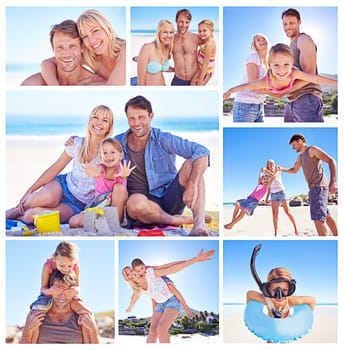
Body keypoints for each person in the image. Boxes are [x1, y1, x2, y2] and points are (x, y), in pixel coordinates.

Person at [115, 95, 211, 236]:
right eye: (132, 118)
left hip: (169, 199)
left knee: (192, 163)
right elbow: (99, 154)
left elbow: (202, 152)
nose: (136, 123)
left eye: (141, 117)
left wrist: (192, 184)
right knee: (134, 203)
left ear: (151, 116)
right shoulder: (117, 143)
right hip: (142, 206)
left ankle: (199, 224)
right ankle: (175, 221)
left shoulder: (163, 139)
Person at [6, 105, 114, 226]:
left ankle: (21, 216)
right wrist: (31, 190)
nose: (99, 122)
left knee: (31, 216)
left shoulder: (109, 153)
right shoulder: (77, 143)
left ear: (108, 128)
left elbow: (110, 181)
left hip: (78, 204)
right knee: (46, 198)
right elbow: (56, 168)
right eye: (95, 117)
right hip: (63, 186)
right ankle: (15, 210)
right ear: (89, 121)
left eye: (105, 120)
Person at [122, 249, 215, 343]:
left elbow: (171, 269)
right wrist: (130, 308)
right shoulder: (138, 288)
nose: (132, 274)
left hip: (172, 302)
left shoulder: (150, 272)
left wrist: (195, 259)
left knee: (161, 328)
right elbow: (134, 298)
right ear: (127, 278)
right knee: (152, 332)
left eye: (131, 271)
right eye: (129, 274)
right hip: (159, 305)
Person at [223, 43, 337, 104]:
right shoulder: (267, 81)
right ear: (269, 65)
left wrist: (337, 82)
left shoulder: (294, 73)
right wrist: (230, 91)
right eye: (276, 65)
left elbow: (316, 79)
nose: (282, 71)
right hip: (271, 93)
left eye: (286, 64)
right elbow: (247, 86)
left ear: (292, 63)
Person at [42, 9, 126, 85]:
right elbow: (47, 63)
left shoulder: (125, 49)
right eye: (85, 36)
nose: (92, 40)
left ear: (107, 28)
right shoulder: (90, 56)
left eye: (95, 31)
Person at [68, 138, 136, 228]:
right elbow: (96, 171)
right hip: (100, 206)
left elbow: (122, 175)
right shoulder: (100, 169)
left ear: (121, 155)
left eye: (112, 152)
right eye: (104, 153)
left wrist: (124, 175)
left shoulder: (121, 170)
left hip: (116, 208)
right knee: (73, 221)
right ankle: (100, 223)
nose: (108, 156)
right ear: (100, 157)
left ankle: (114, 223)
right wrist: (91, 173)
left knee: (119, 187)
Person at [280, 134, 338, 236]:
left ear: (300, 141)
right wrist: (282, 169)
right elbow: (294, 170)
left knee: (318, 219)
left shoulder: (312, 150)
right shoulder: (300, 157)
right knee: (326, 215)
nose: (293, 148)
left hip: (318, 187)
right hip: (313, 189)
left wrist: (333, 181)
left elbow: (331, 160)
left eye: (294, 145)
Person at [21, 269, 99, 344]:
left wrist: (93, 330)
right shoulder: (36, 315)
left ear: (73, 291)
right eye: (57, 289)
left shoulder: (83, 316)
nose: (62, 296)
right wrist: (27, 330)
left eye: (67, 291)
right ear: (51, 290)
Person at [21, 20, 105, 86]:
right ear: (53, 49)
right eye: (60, 48)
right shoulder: (33, 84)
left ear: (82, 47)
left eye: (72, 46)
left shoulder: (98, 85)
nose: (66, 54)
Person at [281, 8, 326, 122]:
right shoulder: (289, 47)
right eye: (285, 24)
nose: (288, 27)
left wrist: (284, 91)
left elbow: (309, 75)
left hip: (306, 97)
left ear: (299, 22)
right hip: (291, 101)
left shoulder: (303, 39)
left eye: (291, 23)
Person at [30, 241, 91, 317]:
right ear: (55, 258)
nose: (66, 269)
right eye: (62, 265)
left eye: (70, 266)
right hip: (49, 292)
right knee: (38, 308)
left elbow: (78, 287)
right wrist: (51, 291)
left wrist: (75, 290)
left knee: (85, 310)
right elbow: (43, 288)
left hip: (68, 293)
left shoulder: (76, 267)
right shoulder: (47, 266)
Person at [125, 258, 193, 318]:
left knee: (170, 286)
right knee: (153, 297)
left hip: (161, 278)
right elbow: (134, 296)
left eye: (142, 268)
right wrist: (130, 308)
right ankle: (155, 316)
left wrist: (177, 262)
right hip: (155, 288)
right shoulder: (137, 280)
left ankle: (185, 306)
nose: (142, 271)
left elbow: (162, 267)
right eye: (138, 271)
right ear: (135, 270)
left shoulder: (148, 269)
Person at [223, 33, 270, 122]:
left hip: (260, 105)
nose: (261, 40)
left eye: (263, 38)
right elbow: (253, 85)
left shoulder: (270, 62)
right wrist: (274, 93)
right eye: (258, 40)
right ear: (255, 45)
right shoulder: (253, 57)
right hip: (245, 105)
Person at [247, 267, 316, 320]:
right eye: (274, 290)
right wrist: (252, 315)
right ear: (267, 289)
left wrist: (304, 320)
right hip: (270, 325)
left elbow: (312, 300)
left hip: (287, 326)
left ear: (290, 289)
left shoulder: (291, 301)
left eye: (284, 290)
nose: (279, 296)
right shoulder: (266, 300)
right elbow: (249, 294)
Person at [264, 160, 298, 236]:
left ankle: (296, 228)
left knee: (287, 212)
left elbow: (274, 177)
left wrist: (266, 170)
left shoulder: (277, 169)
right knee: (274, 214)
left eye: (273, 163)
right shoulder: (266, 174)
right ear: (268, 165)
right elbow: (268, 187)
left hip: (281, 192)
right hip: (273, 194)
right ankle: (275, 233)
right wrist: (267, 197)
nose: (272, 164)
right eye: (270, 163)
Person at [136, 19, 174, 86]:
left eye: (171, 32)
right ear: (159, 33)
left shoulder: (167, 48)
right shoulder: (147, 48)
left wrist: (175, 70)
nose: (168, 36)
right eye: (165, 32)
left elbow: (162, 67)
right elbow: (141, 79)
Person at [171, 9, 201, 85]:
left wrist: (204, 79)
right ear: (176, 21)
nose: (184, 25)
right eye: (181, 21)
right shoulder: (171, 39)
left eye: (187, 22)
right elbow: (157, 48)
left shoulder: (196, 38)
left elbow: (210, 52)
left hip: (195, 79)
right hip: (178, 80)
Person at [190, 19, 216, 86]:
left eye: (204, 31)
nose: (201, 33)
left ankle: (208, 75)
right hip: (201, 66)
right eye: (199, 31)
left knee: (193, 84)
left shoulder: (209, 44)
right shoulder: (204, 39)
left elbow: (206, 63)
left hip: (205, 69)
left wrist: (200, 80)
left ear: (211, 31)